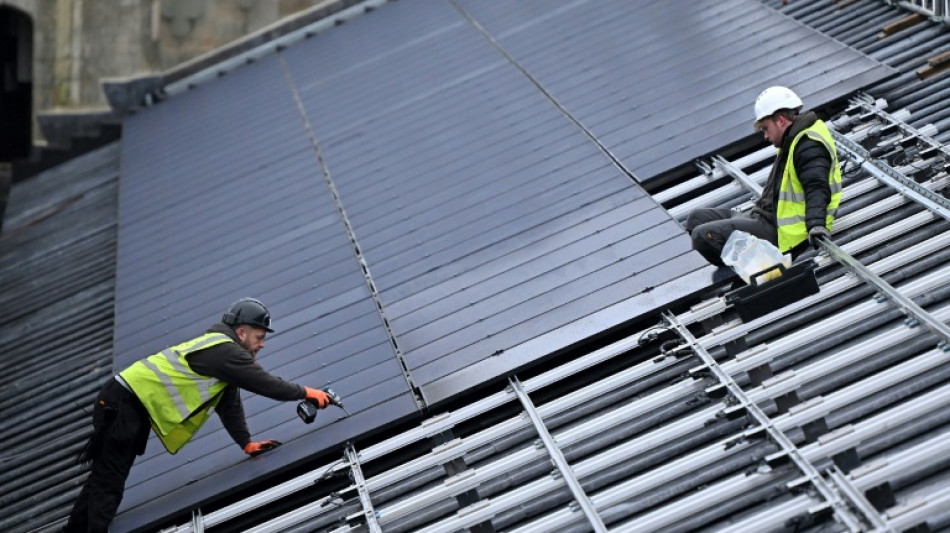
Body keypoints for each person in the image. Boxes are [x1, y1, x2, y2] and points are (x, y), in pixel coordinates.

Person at [64, 297, 333, 533]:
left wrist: (246, 443)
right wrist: (307, 392)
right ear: (241, 333)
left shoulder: (221, 350)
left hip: (121, 401)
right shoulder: (225, 352)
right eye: (259, 337)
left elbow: (229, 403)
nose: (262, 345)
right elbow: (266, 383)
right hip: (122, 405)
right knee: (110, 481)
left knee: (104, 477)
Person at [686, 86, 842, 266]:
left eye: (766, 128)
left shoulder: (808, 145)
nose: (766, 136)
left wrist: (816, 224)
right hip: (763, 216)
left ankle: (755, 271)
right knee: (695, 218)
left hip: (780, 232)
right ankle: (741, 263)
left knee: (702, 236)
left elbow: (816, 185)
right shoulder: (792, 139)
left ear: (781, 121)